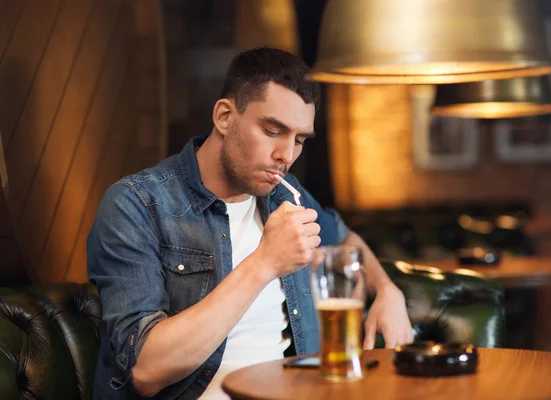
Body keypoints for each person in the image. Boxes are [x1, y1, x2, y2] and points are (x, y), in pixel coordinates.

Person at [87, 47, 413, 400]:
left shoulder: (285, 197)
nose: (286, 156)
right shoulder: (138, 204)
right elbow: (146, 370)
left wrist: (386, 290)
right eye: (273, 130)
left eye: (299, 140)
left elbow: (343, 237)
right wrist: (264, 262)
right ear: (225, 116)